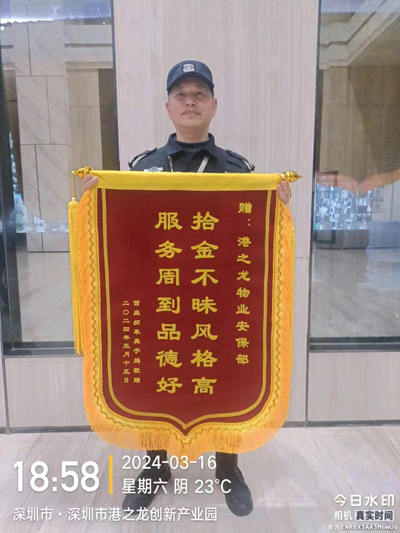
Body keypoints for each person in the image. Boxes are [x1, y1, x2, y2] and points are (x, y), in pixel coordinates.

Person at [82, 60, 291, 517]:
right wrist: (95, 202)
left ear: (214, 106)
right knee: (158, 379)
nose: (190, 101)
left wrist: (274, 207)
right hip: (159, 299)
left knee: (228, 380)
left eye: (199, 94)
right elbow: (125, 240)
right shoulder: (142, 170)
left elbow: (253, 241)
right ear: (168, 107)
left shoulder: (239, 173)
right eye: (181, 94)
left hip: (218, 301)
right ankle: (156, 466)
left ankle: (228, 467)